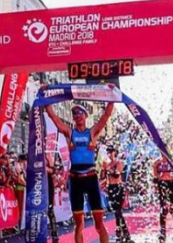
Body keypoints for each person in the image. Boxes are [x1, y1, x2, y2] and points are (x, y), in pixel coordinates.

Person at [46, 101, 116, 243]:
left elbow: (106, 116)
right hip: (75, 179)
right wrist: (46, 102)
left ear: (86, 115)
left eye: (80, 113)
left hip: (91, 178)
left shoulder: (92, 132)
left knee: (99, 223)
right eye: (74, 113)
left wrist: (111, 98)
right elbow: (54, 117)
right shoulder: (69, 132)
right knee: (79, 224)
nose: (77, 115)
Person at [103, 147, 132, 243]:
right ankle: (124, 234)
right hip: (111, 188)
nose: (109, 154)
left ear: (115, 152)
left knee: (118, 211)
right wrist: (104, 170)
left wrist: (109, 169)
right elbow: (104, 177)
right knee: (116, 212)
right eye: (108, 153)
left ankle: (121, 233)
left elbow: (117, 174)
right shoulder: (107, 164)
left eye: (111, 152)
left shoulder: (119, 163)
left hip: (118, 188)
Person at [154, 156, 173, 243]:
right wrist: (154, 166)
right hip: (162, 186)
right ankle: (162, 232)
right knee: (163, 209)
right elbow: (156, 177)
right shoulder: (157, 162)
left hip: (172, 186)